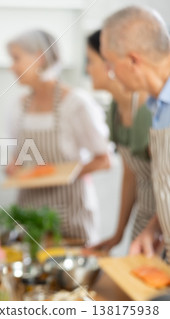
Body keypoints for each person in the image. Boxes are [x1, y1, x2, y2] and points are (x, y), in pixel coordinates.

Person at [5, 29, 110, 245]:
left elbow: (104, 159)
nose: (11, 67)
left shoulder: (76, 103)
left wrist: (61, 174)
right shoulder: (19, 107)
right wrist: (14, 166)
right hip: (30, 218)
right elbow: (18, 156)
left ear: (40, 58)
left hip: (70, 219)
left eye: (16, 59)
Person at [100, 6, 170, 262]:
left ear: (133, 60)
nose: (110, 73)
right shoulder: (158, 106)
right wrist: (156, 226)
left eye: (110, 63)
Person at [86, 30, 155, 252]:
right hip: (143, 221)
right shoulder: (115, 110)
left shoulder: (147, 111)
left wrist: (154, 230)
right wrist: (118, 233)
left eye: (90, 61)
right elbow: (130, 174)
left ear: (110, 63)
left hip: (161, 225)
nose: (87, 69)